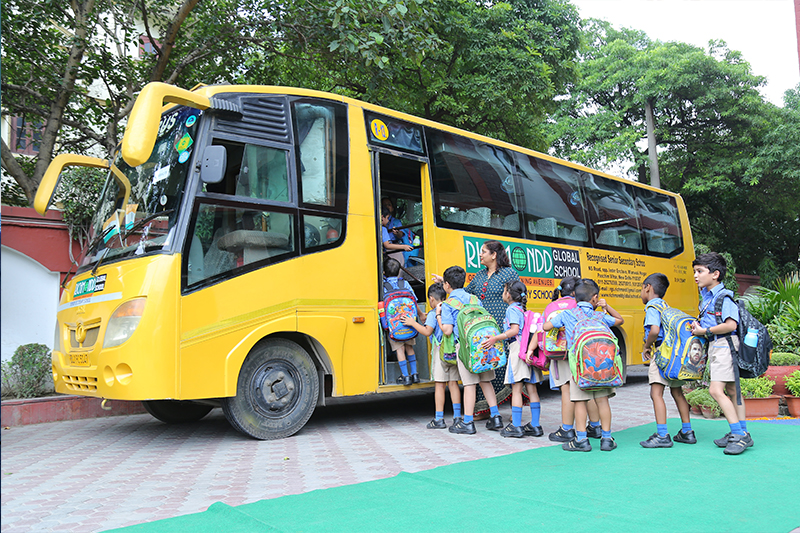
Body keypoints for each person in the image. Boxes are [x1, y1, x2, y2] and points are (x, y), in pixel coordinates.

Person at [433, 240, 519, 415]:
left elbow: (517, 295)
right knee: (485, 368)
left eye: (483, 252)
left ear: (494, 255)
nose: (480, 255)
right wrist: (446, 282)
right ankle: (487, 411)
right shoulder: (479, 276)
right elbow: (464, 292)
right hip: (479, 331)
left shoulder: (509, 274)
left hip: (503, 329)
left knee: (506, 368)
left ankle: (513, 412)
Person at [544, 279, 623, 452]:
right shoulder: (600, 315)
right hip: (603, 368)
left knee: (580, 402)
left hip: (580, 369)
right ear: (595, 298)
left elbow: (545, 326)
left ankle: (581, 440)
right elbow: (619, 320)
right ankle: (607, 439)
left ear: (574, 296)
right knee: (602, 401)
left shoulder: (567, 314)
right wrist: (606, 307)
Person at [689, 252, 751, 455]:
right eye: (695, 272)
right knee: (733, 392)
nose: (696, 275)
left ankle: (738, 435)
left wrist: (704, 331)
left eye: (700, 271)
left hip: (725, 345)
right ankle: (743, 432)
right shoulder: (708, 297)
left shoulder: (723, 297)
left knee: (716, 390)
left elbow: (731, 324)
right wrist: (700, 327)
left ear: (715, 274)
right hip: (720, 345)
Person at [439, 265, 503, 435]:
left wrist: (438, 315)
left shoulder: (448, 304)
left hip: (465, 347)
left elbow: (446, 330)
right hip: (483, 345)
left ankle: (467, 422)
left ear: (446, 285)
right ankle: (495, 416)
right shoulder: (474, 299)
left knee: (469, 384)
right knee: (486, 381)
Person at [481, 280, 545, 438]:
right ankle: (535, 425)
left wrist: (496, 338)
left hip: (518, 349)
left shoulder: (511, 309)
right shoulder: (522, 309)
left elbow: (514, 330)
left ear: (508, 294)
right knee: (532, 389)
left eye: (504, 291)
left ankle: (516, 426)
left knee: (517, 388)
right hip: (529, 349)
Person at [639, 273, 696, 448]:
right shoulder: (666, 306)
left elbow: (654, 330)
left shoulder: (652, 307)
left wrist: (646, 346)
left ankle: (662, 434)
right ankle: (687, 431)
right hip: (675, 356)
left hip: (662, 355)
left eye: (641, 289)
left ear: (647, 287)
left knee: (656, 394)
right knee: (677, 392)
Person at [544, 277, 603, 443]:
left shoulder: (553, 306)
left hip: (562, 354)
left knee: (567, 390)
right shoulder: (582, 305)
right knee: (587, 388)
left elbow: (545, 327)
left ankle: (567, 429)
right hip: (585, 353)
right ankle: (595, 425)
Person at [402, 283, 462, 429]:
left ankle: (439, 419)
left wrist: (412, 323)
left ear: (431, 299)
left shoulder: (434, 312)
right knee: (453, 383)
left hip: (440, 350)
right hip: (453, 350)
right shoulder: (449, 308)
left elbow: (427, 331)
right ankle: (457, 417)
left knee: (440, 385)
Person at [383, 258, 418, 386]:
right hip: (408, 322)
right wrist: (420, 315)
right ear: (399, 272)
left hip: (395, 326)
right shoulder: (405, 284)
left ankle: (406, 376)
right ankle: (415, 374)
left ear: (384, 273)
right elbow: (414, 300)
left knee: (400, 349)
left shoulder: (384, 286)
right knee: (409, 347)